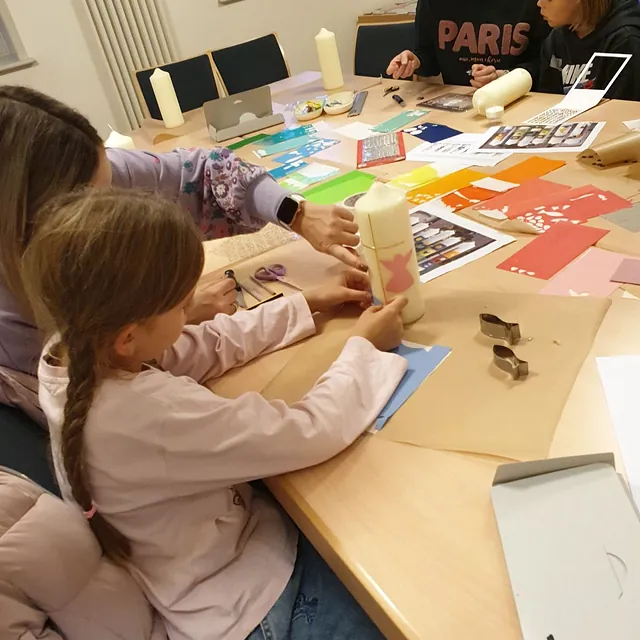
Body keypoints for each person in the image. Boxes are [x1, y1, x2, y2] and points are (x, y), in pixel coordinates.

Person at [25, 188, 409, 640]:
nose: (192, 313)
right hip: (252, 607)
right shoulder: (146, 415)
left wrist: (306, 303)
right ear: (129, 336)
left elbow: (206, 343)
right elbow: (309, 431)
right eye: (182, 306)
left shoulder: (75, 350)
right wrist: (363, 347)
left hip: (223, 564)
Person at [0, 86, 363, 421]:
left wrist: (293, 215)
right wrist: (175, 315)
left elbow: (207, 171)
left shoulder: (123, 356)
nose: (116, 202)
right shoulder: (115, 400)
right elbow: (296, 432)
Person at [386, 0, 550, 88]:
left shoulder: (536, 4)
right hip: (459, 103)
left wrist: (504, 76)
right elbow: (429, 60)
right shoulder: (433, 4)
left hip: (519, 99)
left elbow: (544, 63)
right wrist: (415, 61)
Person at [535, 0, 640, 100]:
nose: (539, 3)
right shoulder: (555, 39)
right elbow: (546, 101)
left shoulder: (625, 40)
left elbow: (622, 108)